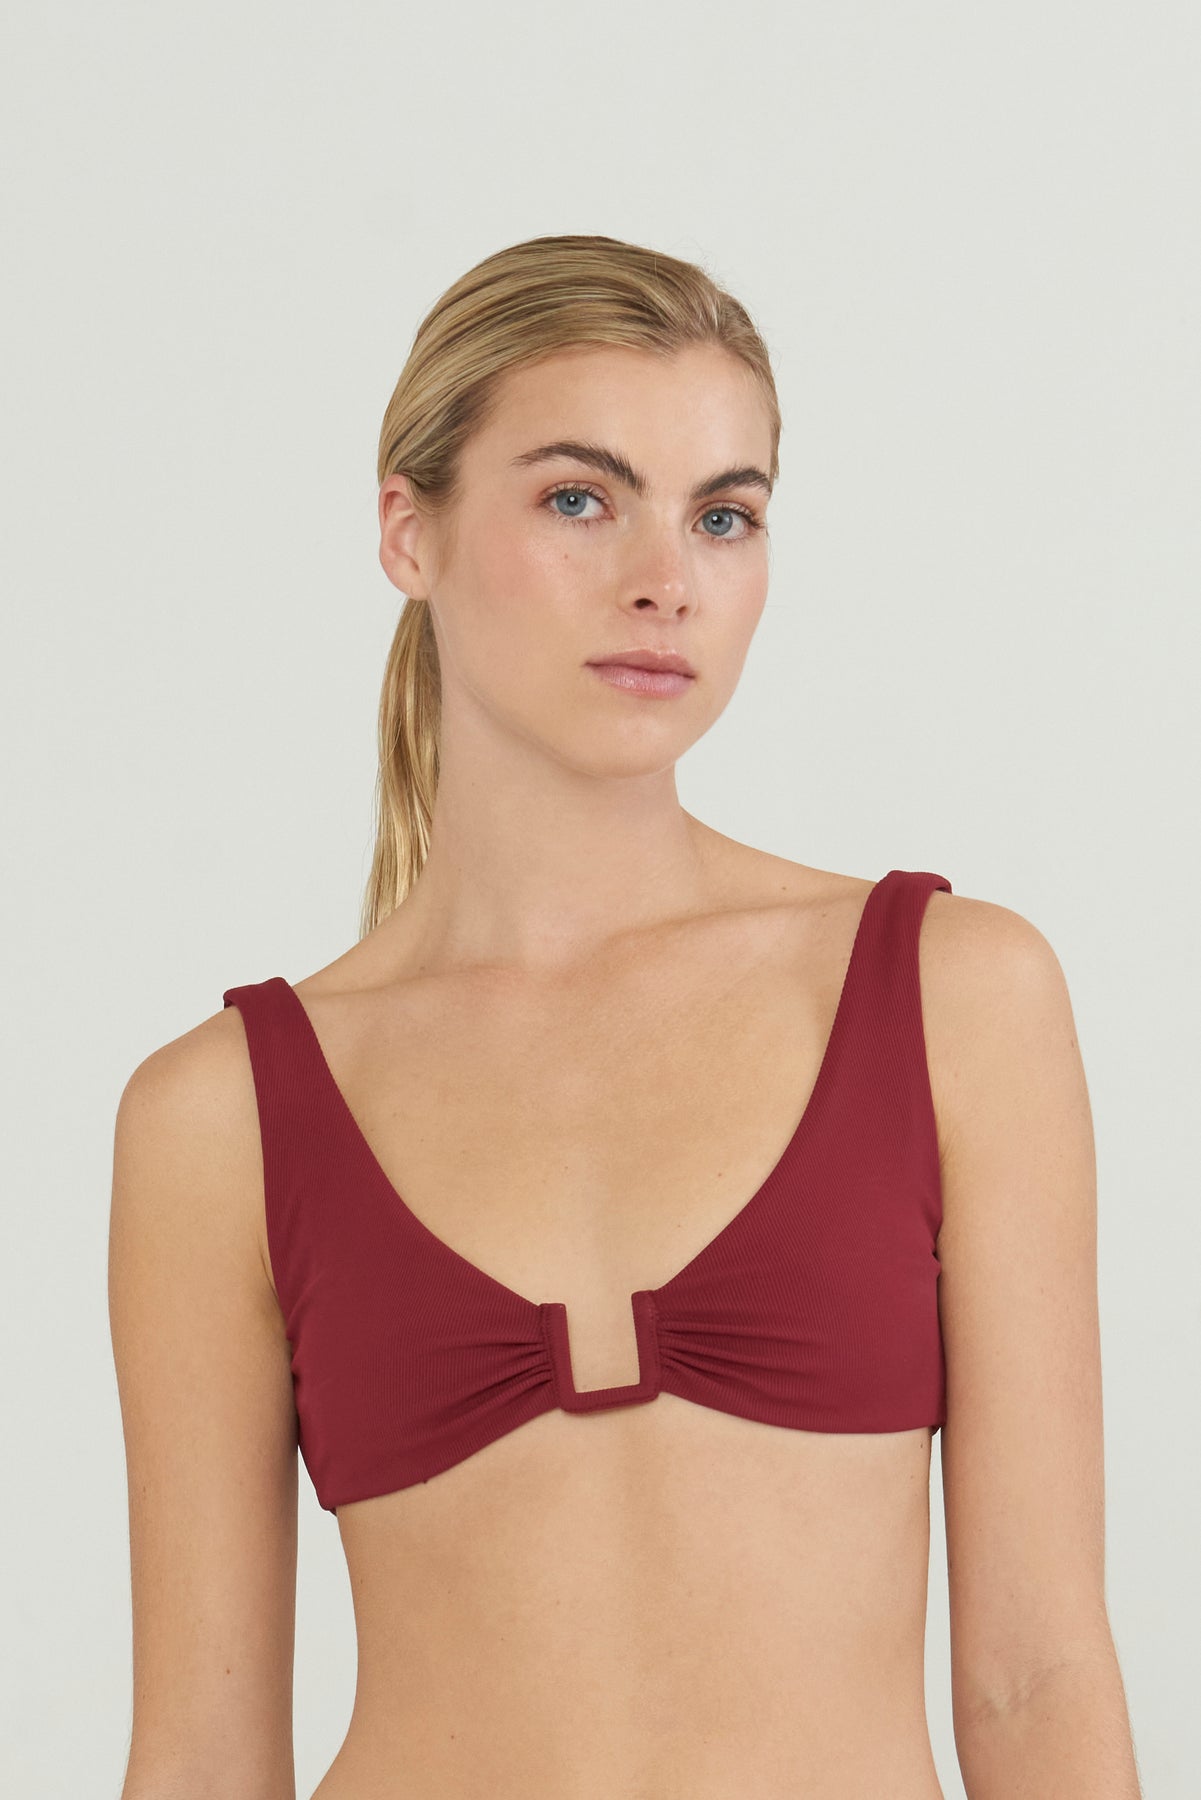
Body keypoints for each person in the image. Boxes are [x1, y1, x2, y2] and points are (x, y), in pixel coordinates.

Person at [108, 234, 1141, 1799]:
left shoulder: (950, 994)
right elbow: (200, 1750)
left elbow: (1034, 1677)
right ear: (407, 531)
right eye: (579, 499)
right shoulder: (220, 1116)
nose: (665, 578)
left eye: (723, 515)